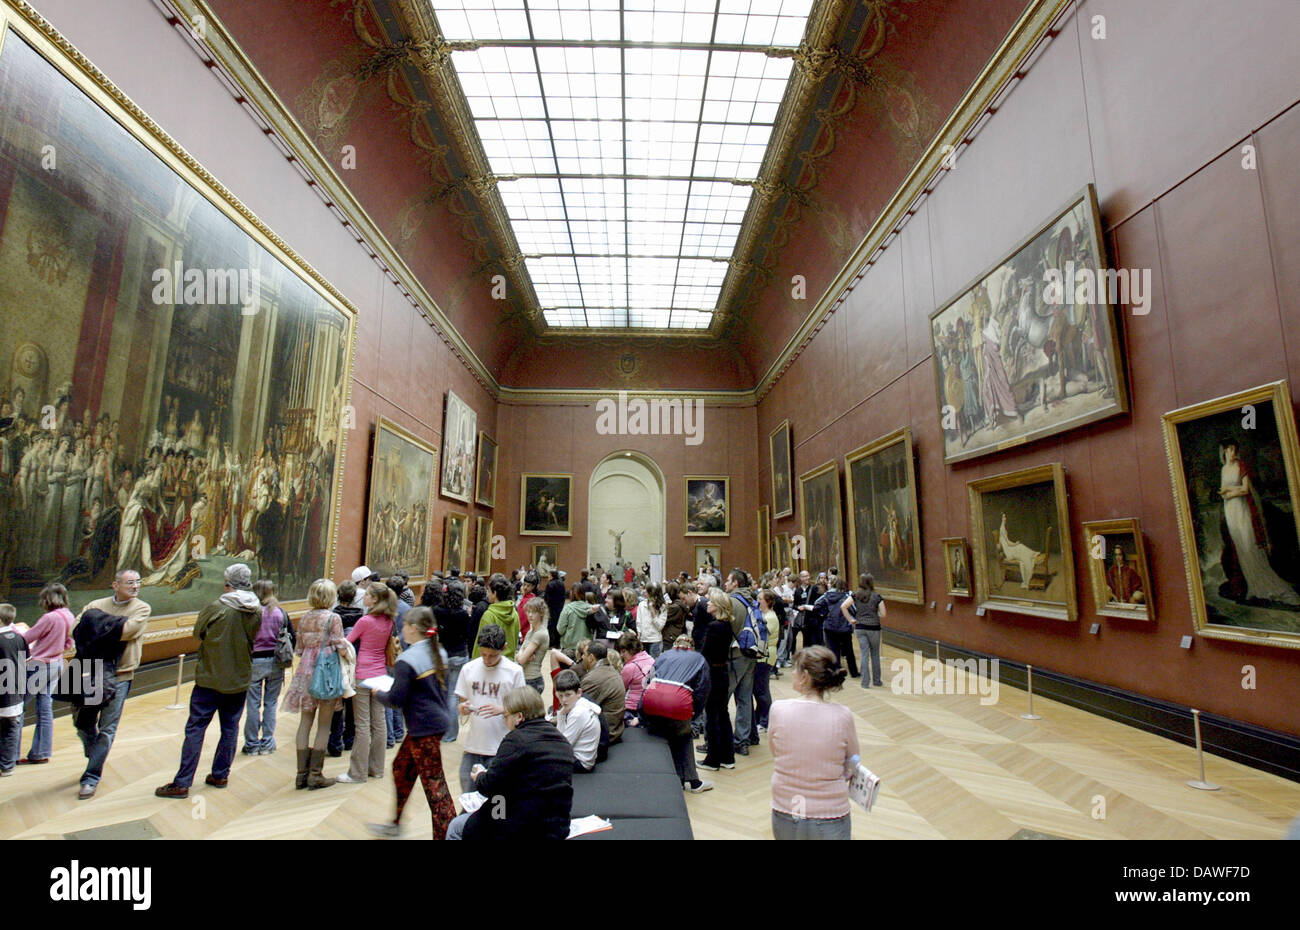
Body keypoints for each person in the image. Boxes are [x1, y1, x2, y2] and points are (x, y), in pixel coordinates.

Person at [156, 563, 263, 798]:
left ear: (228, 583)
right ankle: (220, 774)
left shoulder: (217, 607)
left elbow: (198, 633)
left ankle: (182, 782)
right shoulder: (256, 609)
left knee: (196, 728)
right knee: (230, 727)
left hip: (210, 677)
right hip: (239, 677)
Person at [369, 607, 457, 839]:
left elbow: (396, 699)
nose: (403, 628)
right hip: (431, 724)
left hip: (424, 728)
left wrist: (377, 692)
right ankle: (395, 823)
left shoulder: (407, 660)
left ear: (414, 629)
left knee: (435, 787)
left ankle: (447, 834)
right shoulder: (439, 651)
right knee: (401, 768)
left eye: (406, 624)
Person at [446, 686, 574, 840]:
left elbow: (489, 786)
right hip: (557, 826)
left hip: (523, 827)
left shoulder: (516, 740)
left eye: (505, 716)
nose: (505, 721)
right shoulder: (562, 741)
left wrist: (479, 775)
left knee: (456, 827)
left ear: (519, 717)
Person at [72, 569, 150, 800]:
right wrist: (112, 625)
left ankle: (91, 777)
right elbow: (75, 629)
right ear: (115, 585)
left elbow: (126, 632)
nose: (135, 586)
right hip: (90, 672)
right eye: (129, 582)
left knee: (107, 728)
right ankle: (95, 751)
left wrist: (95, 624)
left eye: (138, 582)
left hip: (120, 675)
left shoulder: (141, 608)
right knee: (82, 721)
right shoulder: (96, 603)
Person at [769, 646, 859, 840]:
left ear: (805, 677)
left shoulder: (778, 710)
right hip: (830, 811)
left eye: (796, 669)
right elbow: (853, 762)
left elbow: (775, 751)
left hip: (787, 807)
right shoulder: (843, 716)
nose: (793, 672)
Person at [283, 578, 348, 789]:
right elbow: (339, 644)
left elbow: (299, 648)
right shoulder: (333, 618)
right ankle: (315, 774)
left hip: (305, 671)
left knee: (305, 722)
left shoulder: (305, 618)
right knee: (324, 725)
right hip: (326, 672)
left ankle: (301, 774)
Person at [454, 623, 525, 794]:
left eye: (492, 655)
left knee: (496, 801)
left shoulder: (514, 671)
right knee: (468, 793)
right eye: (483, 654)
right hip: (474, 744)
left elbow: (523, 710)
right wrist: (463, 708)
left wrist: (503, 709)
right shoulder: (468, 669)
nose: (487, 659)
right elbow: (461, 703)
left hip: (501, 747)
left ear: (504, 648)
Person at [339, 581, 397, 783]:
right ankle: (377, 768)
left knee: (362, 724)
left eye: (367, 595)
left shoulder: (365, 620)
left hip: (363, 673)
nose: (363, 597)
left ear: (374, 599)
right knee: (379, 723)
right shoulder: (389, 621)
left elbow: (347, 642)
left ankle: (357, 773)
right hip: (380, 674)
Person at [641, 633, 712, 793]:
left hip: (652, 701)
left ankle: (676, 778)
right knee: (684, 735)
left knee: (667, 735)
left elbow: (647, 682)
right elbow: (702, 690)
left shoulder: (663, 656)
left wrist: (642, 710)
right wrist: (694, 714)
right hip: (678, 703)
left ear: (674, 645)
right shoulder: (699, 659)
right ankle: (693, 782)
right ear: (691, 647)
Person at [19, 583, 75, 764]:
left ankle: (8, 755)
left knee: (17, 708)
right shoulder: (68, 615)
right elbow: (68, 644)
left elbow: (26, 638)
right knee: (45, 709)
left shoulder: (49, 618)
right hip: (56, 664)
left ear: (47, 598)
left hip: (39, 667)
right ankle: (41, 753)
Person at [242, 578, 292, 755]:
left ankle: (251, 744)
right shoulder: (280, 613)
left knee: (253, 705)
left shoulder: (250, 614)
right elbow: (290, 635)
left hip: (254, 661)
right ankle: (268, 742)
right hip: (276, 662)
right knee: (271, 703)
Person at [697, 588, 736, 772]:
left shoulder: (714, 627)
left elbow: (705, 654)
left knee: (712, 716)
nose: (708, 603)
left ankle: (712, 759)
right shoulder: (727, 625)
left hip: (712, 674)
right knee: (723, 715)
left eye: (711, 601)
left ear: (718, 606)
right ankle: (727, 757)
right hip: (723, 673)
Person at [723, 568, 759, 754]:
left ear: (736, 583)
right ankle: (742, 741)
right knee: (745, 699)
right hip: (751, 654)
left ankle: (720, 740)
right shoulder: (752, 599)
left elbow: (727, 631)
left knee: (721, 699)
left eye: (728, 580)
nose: (726, 584)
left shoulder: (732, 602)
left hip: (735, 656)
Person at [327, 579, 362, 756]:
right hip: (354, 663)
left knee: (336, 703)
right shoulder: (362, 616)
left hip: (335, 663)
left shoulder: (333, 615)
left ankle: (335, 742)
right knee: (351, 701)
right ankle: (349, 739)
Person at [432, 580, 469, 742]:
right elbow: (467, 634)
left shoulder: (437, 611)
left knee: (442, 693)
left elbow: (432, 632)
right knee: (454, 695)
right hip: (460, 654)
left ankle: (440, 728)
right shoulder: (463, 614)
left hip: (443, 655)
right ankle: (451, 734)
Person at [575, 639, 625, 744]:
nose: (582, 657)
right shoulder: (611, 671)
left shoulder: (593, 679)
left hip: (605, 735)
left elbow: (574, 708)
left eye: (584, 654)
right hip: (615, 730)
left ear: (591, 658)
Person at [553, 669, 602, 772]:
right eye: (560, 696)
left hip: (581, 762)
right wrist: (562, 714)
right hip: (584, 757)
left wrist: (561, 715)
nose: (563, 700)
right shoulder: (583, 703)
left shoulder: (578, 713)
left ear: (579, 692)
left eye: (568, 695)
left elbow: (563, 745)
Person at [0, 604, 27, 777]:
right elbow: (26, 661)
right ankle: (7, 765)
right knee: (11, 728)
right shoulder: (19, 638)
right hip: (16, 692)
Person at [845, 573, 886, 688]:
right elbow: (883, 613)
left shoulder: (855, 595)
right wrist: (874, 613)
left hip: (860, 627)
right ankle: (877, 680)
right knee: (875, 654)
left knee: (864, 654)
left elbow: (843, 606)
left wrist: (851, 619)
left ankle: (865, 682)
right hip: (874, 628)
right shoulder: (877, 596)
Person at [751, 588, 781, 737]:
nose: (758, 601)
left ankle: (766, 721)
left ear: (768, 602)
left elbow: (761, 636)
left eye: (760, 599)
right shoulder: (764, 615)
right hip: (762, 656)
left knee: (762, 690)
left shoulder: (770, 617)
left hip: (766, 656)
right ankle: (760, 718)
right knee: (758, 689)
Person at [817, 575, 859, 677]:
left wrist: (825, 614)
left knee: (833, 650)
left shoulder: (826, 596)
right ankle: (853, 672)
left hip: (830, 626)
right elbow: (854, 610)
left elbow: (817, 605)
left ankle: (836, 671)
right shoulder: (846, 595)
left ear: (831, 584)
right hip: (844, 626)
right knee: (849, 650)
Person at [472, 577, 519, 660]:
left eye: (489, 591)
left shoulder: (489, 615)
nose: (487, 594)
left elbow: (480, 643)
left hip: (491, 662)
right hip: (509, 661)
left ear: (495, 593)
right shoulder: (514, 613)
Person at [617, 630, 654, 724]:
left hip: (632, 708)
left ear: (631, 649)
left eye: (623, 651)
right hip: (649, 705)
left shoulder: (629, 668)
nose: (621, 655)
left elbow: (621, 689)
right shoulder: (651, 659)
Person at [516, 597, 551, 693]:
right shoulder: (531, 631)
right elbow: (520, 655)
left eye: (534, 612)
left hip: (532, 680)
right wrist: (522, 654)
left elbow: (521, 660)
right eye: (528, 611)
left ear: (541, 613)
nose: (530, 615)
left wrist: (522, 654)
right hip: (526, 678)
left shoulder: (540, 634)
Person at [556, 583, 596, 651]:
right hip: (586, 646)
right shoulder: (592, 609)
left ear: (571, 593)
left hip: (569, 646)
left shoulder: (567, 608)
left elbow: (560, 629)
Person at [635, 583, 667, 657]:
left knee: (654, 664)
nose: (644, 591)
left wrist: (653, 613)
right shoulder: (641, 604)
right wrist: (639, 634)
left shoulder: (662, 607)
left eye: (647, 590)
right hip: (643, 640)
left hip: (655, 640)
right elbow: (639, 622)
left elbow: (660, 626)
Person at [543, 570, 567, 647]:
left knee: (550, 625)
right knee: (558, 624)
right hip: (559, 607)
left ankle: (551, 643)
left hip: (551, 608)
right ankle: (557, 642)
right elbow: (564, 596)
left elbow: (547, 598)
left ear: (551, 575)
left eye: (549, 575)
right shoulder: (561, 583)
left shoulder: (550, 584)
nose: (548, 577)